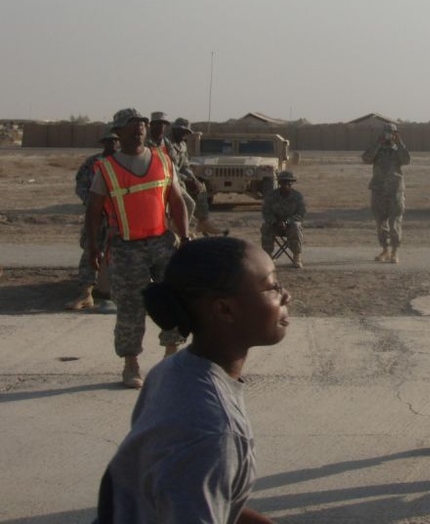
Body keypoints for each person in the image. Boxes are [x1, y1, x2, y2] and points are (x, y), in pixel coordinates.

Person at [94, 236, 290, 523]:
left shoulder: (172, 371)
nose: (286, 295)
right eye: (273, 286)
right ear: (224, 309)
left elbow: (206, 501)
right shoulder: (211, 430)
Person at [86, 108, 190, 388]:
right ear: (118, 132)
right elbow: (94, 212)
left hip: (162, 242)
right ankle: (130, 364)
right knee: (130, 307)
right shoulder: (106, 169)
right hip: (125, 248)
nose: (139, 128)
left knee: (173, 299)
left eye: (142, 124)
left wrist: (186, 237)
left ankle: (171, 356)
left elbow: (177, 201)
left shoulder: (163, 161)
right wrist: (93, 249)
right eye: (132, 125)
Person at [66, 131, 120, 310]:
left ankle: (115, 291)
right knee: (91, 251)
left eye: (115, 141)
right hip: (97, 217)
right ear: (103, 143)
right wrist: (92, 202)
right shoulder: (92, 163)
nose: (112, 144)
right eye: (108, 141)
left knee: (122, 254)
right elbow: (81, 185)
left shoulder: (124, 162)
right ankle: (86, 293)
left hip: (119, 218)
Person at [168, 117, 227, 236]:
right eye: (182, 131)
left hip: (180, 178)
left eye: (187, 133)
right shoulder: (167, 143)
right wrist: (185, 180)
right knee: (190, 203)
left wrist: (193, 179)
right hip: (171, 179)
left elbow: (184, 165)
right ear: (175, 130)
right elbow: (169, 167)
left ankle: (203, 221)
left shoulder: (183, 145)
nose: (185, 135)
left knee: (201, 188)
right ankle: (179, 229)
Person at [362, 123, 410, 264]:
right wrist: (378, 144)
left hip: (395, 190)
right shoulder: (378, 149)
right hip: (379, 189)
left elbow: (407, 160)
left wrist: (400, 143)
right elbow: (366, 158)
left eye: (392, 133)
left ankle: (394, 252)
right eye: (386, 133)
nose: (389, 135)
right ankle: (385, 249)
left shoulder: (398, 149)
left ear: (396, 134)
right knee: (380, 222)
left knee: (395, 222)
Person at [260, 170, 306, 268]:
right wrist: (275, 222)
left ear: (292, 183)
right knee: (265, 227)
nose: (286, 184)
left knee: (296, 226)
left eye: (288, 182)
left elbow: (300, 214)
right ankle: (267, 257)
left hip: (290, 226)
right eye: (283, 182)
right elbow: (266, 212)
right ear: (279, 183)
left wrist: (287, 222)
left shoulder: (298, 197)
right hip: (275, 225)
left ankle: (296, 256)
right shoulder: (271, 196)